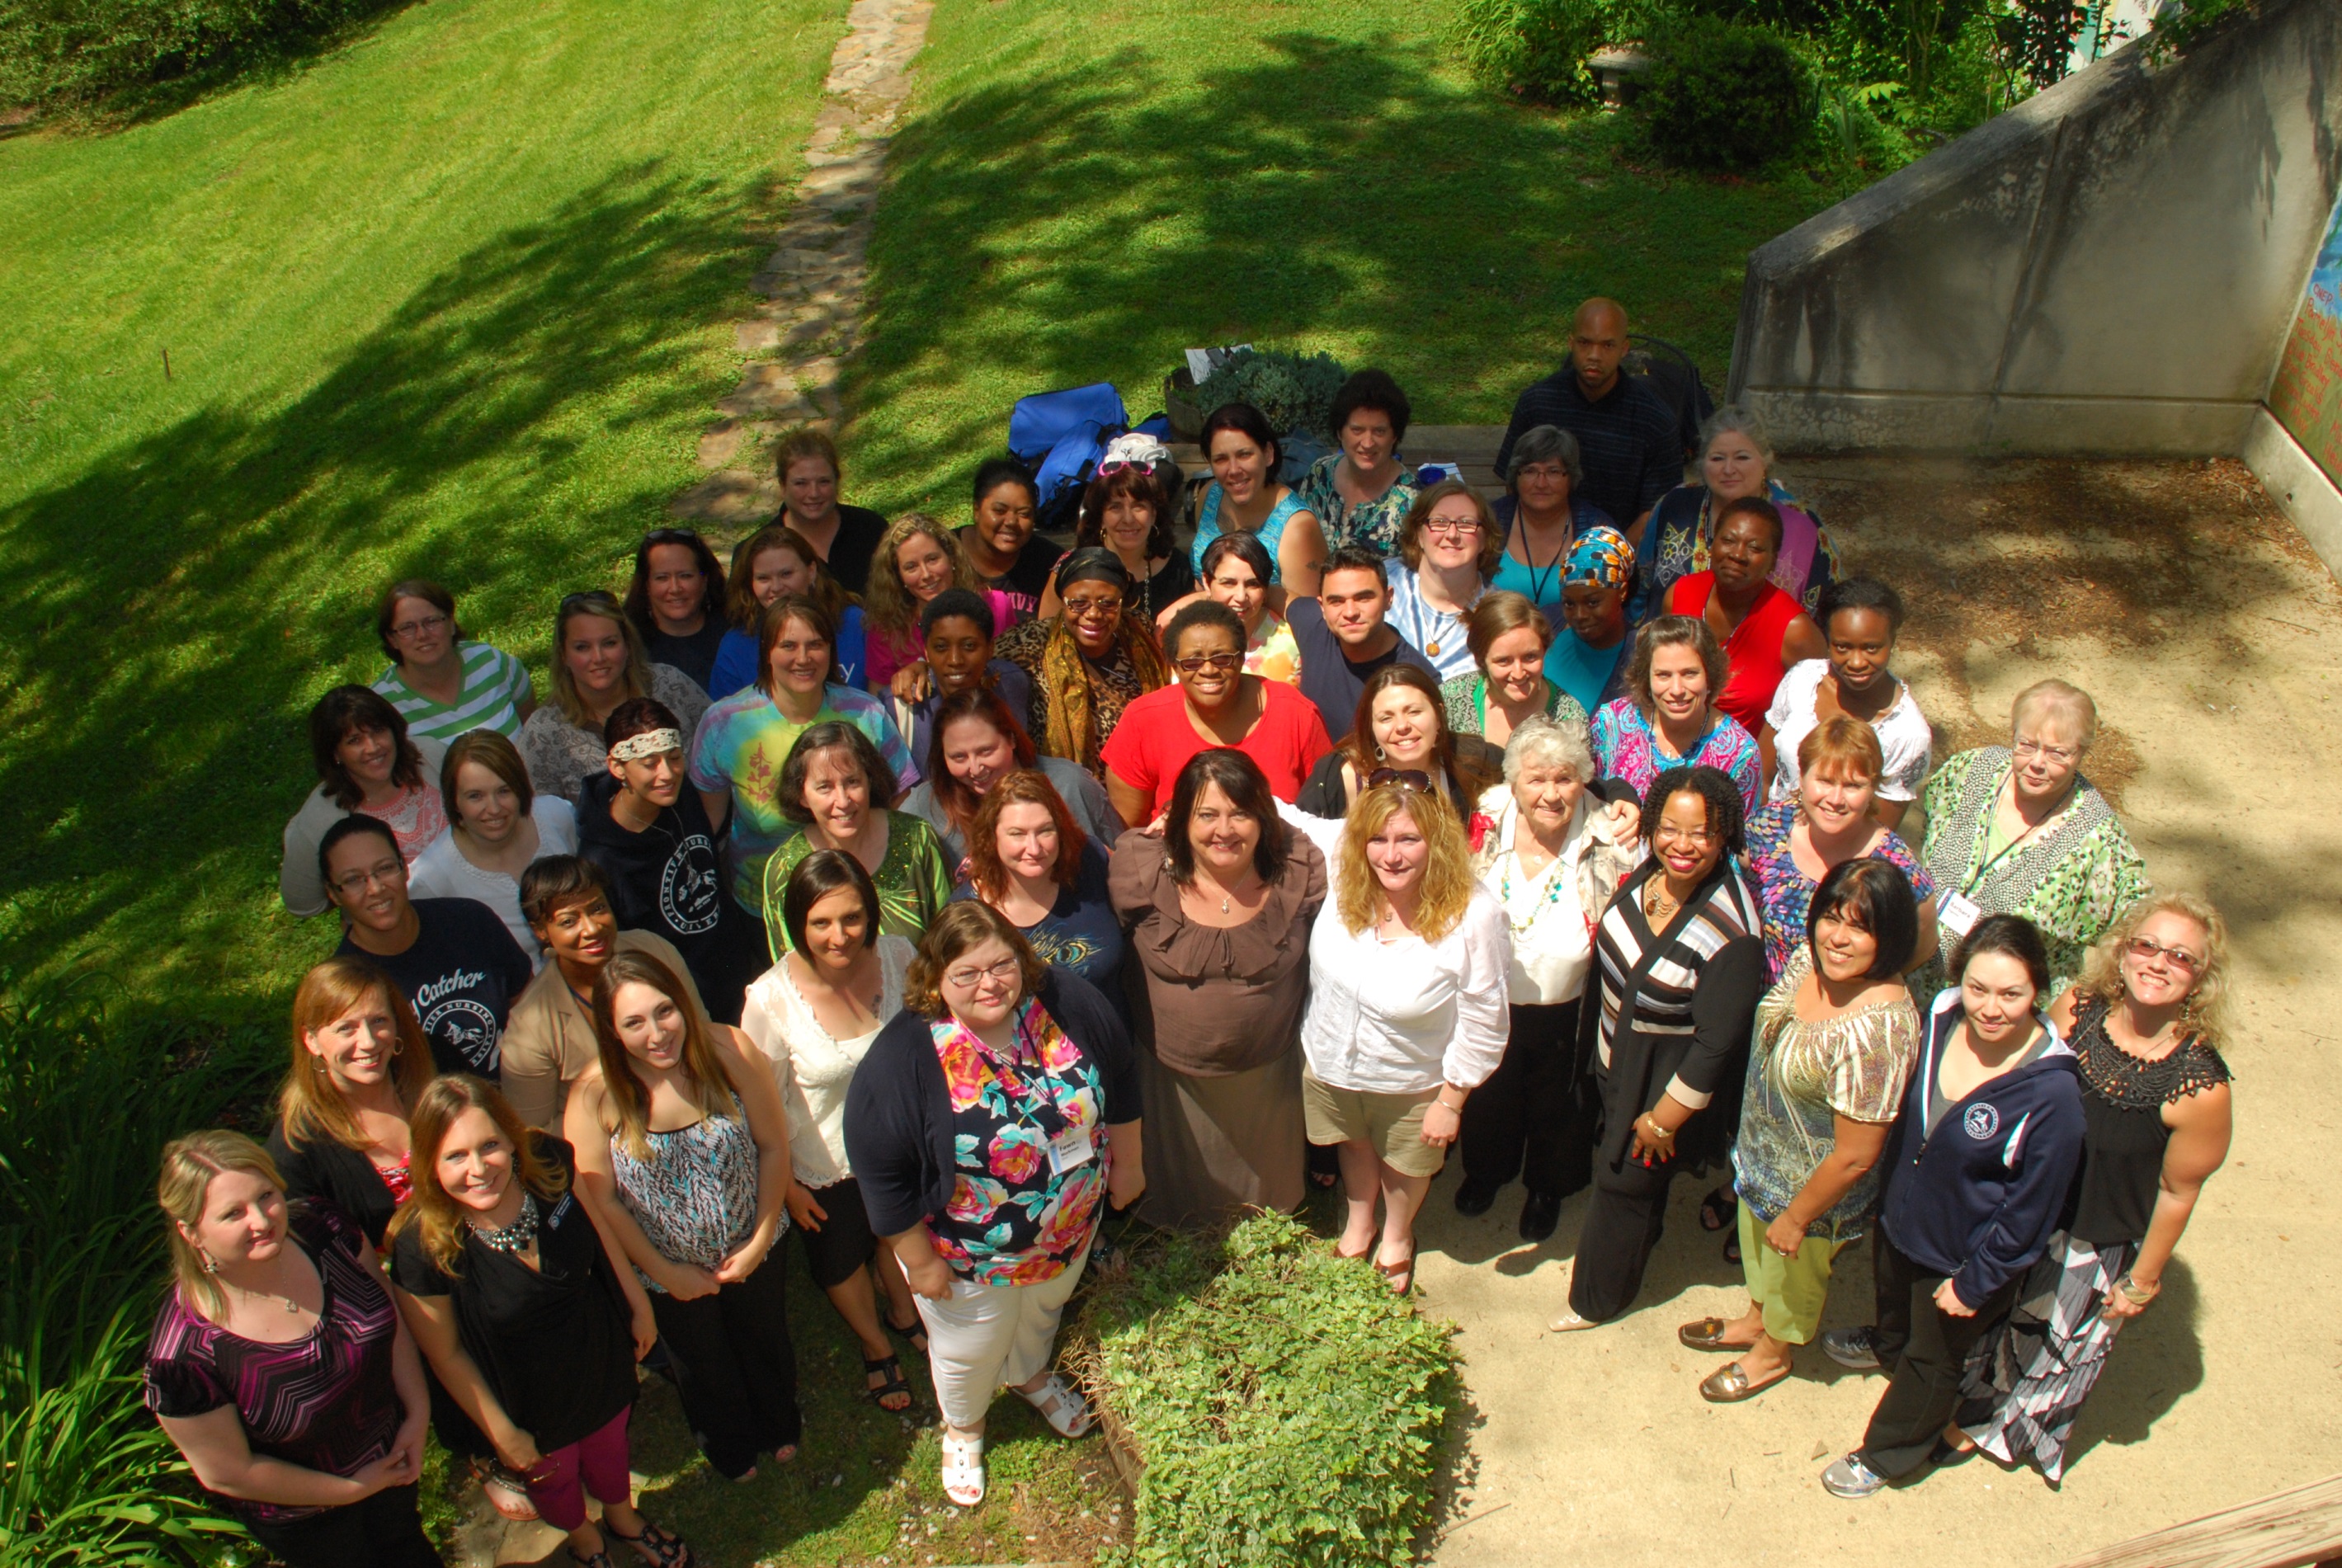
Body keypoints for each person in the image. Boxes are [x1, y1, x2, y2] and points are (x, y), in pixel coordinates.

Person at [843, 903, 1146, 1507]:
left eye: (1002, 964)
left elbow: (1120, 1074)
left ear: (1022, 957)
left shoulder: (1065, 1000)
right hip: (967, 1253)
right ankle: (964, 1426)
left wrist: (1130, 1164)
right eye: (967, 973)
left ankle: (1031, 1373)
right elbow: (879, 1163)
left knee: (1042, 1312)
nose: (990, 984)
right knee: (968, 1347)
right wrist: (916, 1259)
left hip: (1069, 1228)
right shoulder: (906, 1052)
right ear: (935, 979)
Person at [1955, 896, 2234, 1481]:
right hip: (2024, 1205)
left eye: (2180, 956)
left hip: (2095, 1237)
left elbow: (2177, 1191)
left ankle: (2003, 1432)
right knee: (1993, 1316)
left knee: (2050, 1343)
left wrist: (2143, 1279)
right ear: (2123, 949)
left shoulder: (2199, 1084)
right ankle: (1965, 1406)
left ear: (2201, 976)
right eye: (2147, 945)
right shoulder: (2075, 1008)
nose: (2158, 962)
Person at [1820, 916, 2084, 1500]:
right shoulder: (1940, 1012)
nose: (1990, 1008)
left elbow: (2028, 1213)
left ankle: (1890, 1451)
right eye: (1978, 988)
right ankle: (1883, 1346)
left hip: (1961, 1254)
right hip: (1900, 1218)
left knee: (1933, 1359)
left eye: (2011, 993)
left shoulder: (2053, 1096)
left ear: (2037, 990)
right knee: (1893, 1304)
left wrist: (1974, 1282)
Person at [389, 1077, 690, 1565]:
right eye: (455, 1156)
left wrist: (638, 1304)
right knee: (555, 1481)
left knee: (610, 1449)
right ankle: (585, 1541)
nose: (478, 1168)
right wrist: (502, 1433)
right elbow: (444, 1353)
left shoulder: (547, 1164)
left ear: (512, 1138)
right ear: (429, 1164)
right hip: (525, 1398)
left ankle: (622, 1517)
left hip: (598, 1357)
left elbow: (597, 1229)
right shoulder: (421, 1248)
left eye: (489, 1145)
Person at [1675, 859, 1921, 1402]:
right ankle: (1753, 1320)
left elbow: (1856, 1155)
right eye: (1830, 917)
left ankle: (1771, 1353)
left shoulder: (1878, 1028)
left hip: (1813, 1198)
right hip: (1761, 1159)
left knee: (1795, 1278)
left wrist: (1797, 1215)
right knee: (1759, 1258)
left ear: (1890, 936)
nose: (1837, 936)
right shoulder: (1814, 958)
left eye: (1860, 926)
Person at [146, 1132, 436, 1568]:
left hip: (390, 1458)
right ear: (191, 1233)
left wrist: (416, 1413)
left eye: (266, 1195)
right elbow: (229, 1472)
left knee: (411, 1553)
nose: (262, 1221)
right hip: (311, 1519)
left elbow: (386, 1316)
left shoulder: (326, 1230)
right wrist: (353, 1490)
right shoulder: (184, 1357)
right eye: (233, 1214)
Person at [565, 949, 801, 1480]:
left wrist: (761, 1238)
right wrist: (666, 1273)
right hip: (665, 1268)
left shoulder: (728, 1049)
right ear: (610, 1029)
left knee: (764, 1337)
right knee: (702, 1364)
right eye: (634, 1022)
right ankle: (729, 1445)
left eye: (664, 1011)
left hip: (756, 1239)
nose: (656, 1033)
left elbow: (772, 1146)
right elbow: (601, 1202)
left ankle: (779, 1420)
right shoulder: (593, 1095)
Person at [1551, 766, 1764, 1330]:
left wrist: (1664, 1120)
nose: (1683, 845)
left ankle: (1595, 1299)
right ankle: (1640, 1237)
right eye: (1669, 828)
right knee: (1632, 1184)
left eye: (1702, 833)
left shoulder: (1732, 932)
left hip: (1661, 1083)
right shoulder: (1650, 873)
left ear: (1725, 836)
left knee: (1623, 1181)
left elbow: (1715, 1046)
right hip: (1614, 1059)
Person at [1303, 779, 1507, 1295]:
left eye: (1408, 840)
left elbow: (1485, 1015)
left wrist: (1454, 1097)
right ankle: (1359, 1222)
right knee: (1353, 1143)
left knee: (1405, 1161)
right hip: (1332, 1060)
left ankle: (1396, 1235)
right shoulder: (1345, 870)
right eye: (1378, 840)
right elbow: (1285, 816)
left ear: (1436, 842)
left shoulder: (1472, 913)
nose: (1390, 856)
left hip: (1414, 1075)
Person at [740, 853, 927, 1413]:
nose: (839, 935)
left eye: (851, 918)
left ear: (870, 913)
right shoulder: (769, 999)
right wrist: (787, 1186)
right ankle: (875, 1346)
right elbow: (760, 1098)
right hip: (824, 1164)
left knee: (898, 1236)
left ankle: (903, 1310)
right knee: (840, 1260)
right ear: (797, 921)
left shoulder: (898, 954)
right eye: (820, 922)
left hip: (899, 1145)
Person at [1109, 751, 1328, 1227]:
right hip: (1170, 1083)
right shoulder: (1138, 871)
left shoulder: (1299, 866)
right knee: (1177, 1203)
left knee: (1263, 1208)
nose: (1223, 830)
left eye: (1240, 813)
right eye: (1206, 815)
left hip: (1268, 1086)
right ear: (1180, 819)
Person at [1458, 718, 1636, 1240]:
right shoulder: (1488, 814)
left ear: (1585, 781)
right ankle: (1487, 1172)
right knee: (1489, 1090)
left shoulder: (1612, 834)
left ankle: (1547, 1186)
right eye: (1536, 779)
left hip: (1572, 1004)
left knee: (1561, 1099)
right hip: (1490, 995)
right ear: (1514, 781)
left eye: (1565, 779)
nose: (1551, 794)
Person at [1916, 679, 2150, 996]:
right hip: (1915, 980)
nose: (2038, 763)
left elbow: (2136, 931)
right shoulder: (1970, 771)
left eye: (2058, 753)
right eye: (2026, 744)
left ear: (2082, 752)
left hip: (2004, 1013)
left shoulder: (2099, 840)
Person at [688, 595, 914, 913]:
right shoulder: (724, 723)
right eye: (789, 646)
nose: (804, 658)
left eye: (815, 645)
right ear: (767, 652)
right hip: (764, 902)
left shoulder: (865, 712)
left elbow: (900, 803)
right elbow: (708, 821)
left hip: (860, 898)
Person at [575, 699, 766, 1023]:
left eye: (675, 758)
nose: (667, 773)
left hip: (735, 974)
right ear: (617, 766)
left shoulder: (682, 795)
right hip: (679, 1001)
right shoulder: (601, 859)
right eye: (649, 763)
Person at [500, 855, 714, 1130]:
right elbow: (535, 1133)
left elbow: (705, 1038)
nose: (591, 928)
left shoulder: (655, 952)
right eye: (568, 922)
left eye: (598, 908)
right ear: (541, 931)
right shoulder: (531, 1028)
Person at [323, 816, 532, 1080]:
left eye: (385, 869)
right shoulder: (346, 986)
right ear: (333, 893)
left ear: (405, 868)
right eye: (354, 880)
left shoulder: (470, 921)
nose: (375, 888)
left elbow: (528, 1003)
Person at [1745, 718, 1939, 985]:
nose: (1835, 799)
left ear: (1873, 789)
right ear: (1802, 778)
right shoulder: (1765, 830)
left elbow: (1919, 948)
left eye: (1852, 786)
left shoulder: (1901, 875)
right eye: (1824, 781)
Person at [1103, 600, 1332, 822]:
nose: (1208, 670)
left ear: (1241, 657)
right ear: (1174, 666)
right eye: (1192, 662)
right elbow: (1127, 829)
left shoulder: (1294, 712)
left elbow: (1326, 814)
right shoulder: (1143, 719)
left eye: (1222, 658)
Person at [268, 957, 433, 1249]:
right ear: (312, 1040)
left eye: (378, 1021)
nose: (369, 1041)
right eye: (347, 1028)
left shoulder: (436, 1072)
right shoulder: (296, 1146)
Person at [761, 722, 952, 958]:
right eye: (824, 787)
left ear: (870, 781)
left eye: (852, 782)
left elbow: (952, 937)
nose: (842, 801)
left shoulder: (916, 839)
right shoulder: (784, 869)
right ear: (801, 795)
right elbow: (790, 969)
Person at [1636, 404, 1840, 622]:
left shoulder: (1802, 528)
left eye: (1742, 458)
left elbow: (1827, 618)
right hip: (1670, 647)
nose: (1728, 469)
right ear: (1702, 464)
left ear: (1765, 461)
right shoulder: (1675, 505)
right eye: (1717, 458)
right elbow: (1641, 587)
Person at [1494, 299, 1684, 533]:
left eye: (1607, 346)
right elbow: (1513, 481)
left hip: (1616, 551)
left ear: (1624, 349)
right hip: (1538, 544)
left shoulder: (1654, 419)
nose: (1594, 355)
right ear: (1571, 343)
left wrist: (1611, 556)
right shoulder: (1537, 402)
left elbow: (1655, 511)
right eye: (1585, 343)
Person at [1764, 577, 1930, 829]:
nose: (1856, 662)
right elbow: (1762, 774)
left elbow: (1878, 833)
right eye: (1842, 647)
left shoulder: (1907, 734)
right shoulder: (1802, 680)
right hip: (1767, 835)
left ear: (1892, 642)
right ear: (1828, 640)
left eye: (1871, 648)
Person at [994, 549, 1171, 784]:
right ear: (1063, 600)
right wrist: (926, 667)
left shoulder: (1142, 636)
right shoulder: (1029, 643)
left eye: (1107, 603)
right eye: (1079, 603)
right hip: (1062, 791)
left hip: (1139, 782)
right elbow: (972, 664)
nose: (1094, 614)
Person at [518, 590, 709, 805]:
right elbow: (539, 816)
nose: (598, 658)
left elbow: (722, 745)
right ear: (564, 655)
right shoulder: (544, 732)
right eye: (582, 647)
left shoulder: (670, 685)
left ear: (627, 645)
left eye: (609, 643)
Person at [408, 730, 578, 967]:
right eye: (475, 796)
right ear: (454, 801)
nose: (494, 808)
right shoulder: (432, 877)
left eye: (504, 791)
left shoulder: (557, 817)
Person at [900, 688, 1122, 867]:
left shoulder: (1068, 784)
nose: (975, 769)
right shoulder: (924, 807)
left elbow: (1122, 864)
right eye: (959, 757)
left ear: (1012, 739)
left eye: (986, 751)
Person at [1664, 496, 1825, 737]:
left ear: (1773, 562)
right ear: (1711, 545)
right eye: (1728, 540)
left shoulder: (1794, 630)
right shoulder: (1680, 595)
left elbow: (1821, 715)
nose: (1737, 555)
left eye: (1755, 548)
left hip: (1743, 768)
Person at [282, 686, 450, 917]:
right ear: (335, 753)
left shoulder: (431, 757)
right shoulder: (320, 819)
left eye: (378, 731)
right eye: (354, 740)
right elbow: (301, 903)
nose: (372, 747)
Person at [951, 770, 1122, 995]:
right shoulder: (966, 912)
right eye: (1017, 834)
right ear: (992, 837)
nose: (1033, 848)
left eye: (1045, 831)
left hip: (1111, 1027)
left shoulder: (1090, 859)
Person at [1590, 615, 1762, 813]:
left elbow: (1741, 837)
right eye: (1663, 675)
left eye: (1690, 673)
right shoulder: (1611, 723)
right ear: (1646, 677)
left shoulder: (1740, 753)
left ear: (1710, 675)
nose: (1677, 689)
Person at [1298, 662, 1500, 822]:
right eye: (1386, 718)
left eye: (1414, 712)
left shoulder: (1474, 760)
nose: (1402, 726)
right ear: (1371, 727)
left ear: (1439, 716)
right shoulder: (1341, 778)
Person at [1282, 546, 1441, 738]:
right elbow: (1273, 595)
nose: (1350, 612)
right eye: (1336, 601)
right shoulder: (1313, 627)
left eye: (1363, 598)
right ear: (1322, 607)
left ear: (1388, 599)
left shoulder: (1418, 679)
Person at [1039, 444, 1195, 625]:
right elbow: (1045, 633)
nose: (1128, 519)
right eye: (1115, 507)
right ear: (1101, 517)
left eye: (1139, 506)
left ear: (1154, 514)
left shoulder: (1178, 569)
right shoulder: (1069, 568)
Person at [709, 522, 869, 698]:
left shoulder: (855, 624)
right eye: (763, 578)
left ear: (811, 572)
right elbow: (725, 716)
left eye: (786, 574)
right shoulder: (736, 645)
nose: (776, 587)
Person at [864, 512, 1013, 695]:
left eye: (932, 559)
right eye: (911, 567)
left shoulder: (997, 605)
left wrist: (927, 668)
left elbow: (1012, 674)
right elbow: (878, 704)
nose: (926, 575)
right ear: (898, 576)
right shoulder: (886, 629)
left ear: (951, 557)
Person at [369, 579, 534, 742]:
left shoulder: (491, 661)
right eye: (407, 627)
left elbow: (531, 727)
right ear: (392, 639)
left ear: (451, 623)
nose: (422, 635)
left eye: (431, 621)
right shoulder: (381, 704)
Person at [891, 587, 1034, 772]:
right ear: (926, 651)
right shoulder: (904, 705)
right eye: (941, 647)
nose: (955, 660)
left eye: (969, 646)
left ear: (990, 648)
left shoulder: (1010, 684)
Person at [1187, 402, 1325, 593]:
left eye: (1244, 455)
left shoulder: (1296, 527)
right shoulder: (1209, 496)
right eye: (1221, 459)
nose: (1234, 470)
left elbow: (1306, 613)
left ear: (1268, 454)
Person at [1440, 590, 1590, 751]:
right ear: (1480, 660)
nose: (1518, 673)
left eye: (1530, 657)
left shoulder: (1569, 719)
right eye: (1504, 661)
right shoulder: (1451, 699)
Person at [1383, 479, 1501, 682]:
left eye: (1466, 524)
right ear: (1419, 534)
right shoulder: (1381, 581)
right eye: (1439, 522)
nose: (1452, 534)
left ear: (1484, 539)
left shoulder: (1498, 612)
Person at [1294, 369, 1421, 558]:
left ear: (1394, 436)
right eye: (1357, 430)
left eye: (1379, 431)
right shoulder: (1319, 475)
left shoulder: (1411, 502)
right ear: (1339, 432)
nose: (1367, 443)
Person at [1489, 426, 1615, 614]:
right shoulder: (1490, 520)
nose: (1541, 483)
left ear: (1571, 477)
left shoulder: (1596, 530)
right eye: (1530, 471)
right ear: (1516, 476)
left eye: (1554, 472)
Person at [772, 426, 890, 594]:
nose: (814, 493)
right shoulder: (758, 550)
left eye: (824, 482)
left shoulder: (871, 529)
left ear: (837, 481)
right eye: (801, 483)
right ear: (783, 486)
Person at [621, 527, 730, 695]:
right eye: (662, 578)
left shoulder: (734, 630)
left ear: (704, 579)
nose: (675, 588)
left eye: (685, 576)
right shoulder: (628, 644)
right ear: (646, 585)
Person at [957, 457, 1064, 623]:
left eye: (1024, 514)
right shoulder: (942, 553)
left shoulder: (1052, 564)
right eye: (1000, 511)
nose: (1012, 522)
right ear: (976, 510)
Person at [1547, 525, 1638, 716]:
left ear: (1622, 592)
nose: (1580, 615)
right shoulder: (1546, 625)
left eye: (1593, 602)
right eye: (1569, 604)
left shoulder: (1640, 656)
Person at [1191, 531, 1298, 680]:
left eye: (1253, 584)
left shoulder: (1293, 644)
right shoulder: (1185, 637)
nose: (1241, 596)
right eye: (1228, 583)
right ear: (1207, 582)